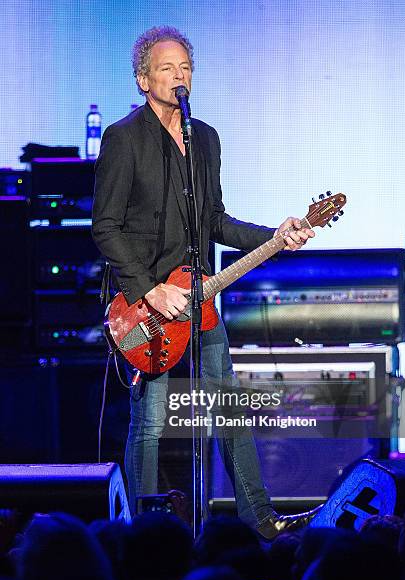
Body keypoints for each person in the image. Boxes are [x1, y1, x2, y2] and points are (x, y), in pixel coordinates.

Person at [92, 25, 317, 539]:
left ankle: (260, 520)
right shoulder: (124, 139)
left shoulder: (206, 139)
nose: (179, 76)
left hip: (200, 298)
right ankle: (139, 531)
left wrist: (276, 234)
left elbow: (215, 220)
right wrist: (150, 289)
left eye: (186, 68)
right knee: (150, 422)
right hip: (146, 307)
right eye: (167, 68)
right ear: (143, 79)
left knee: (229, 407)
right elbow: (104, 226)